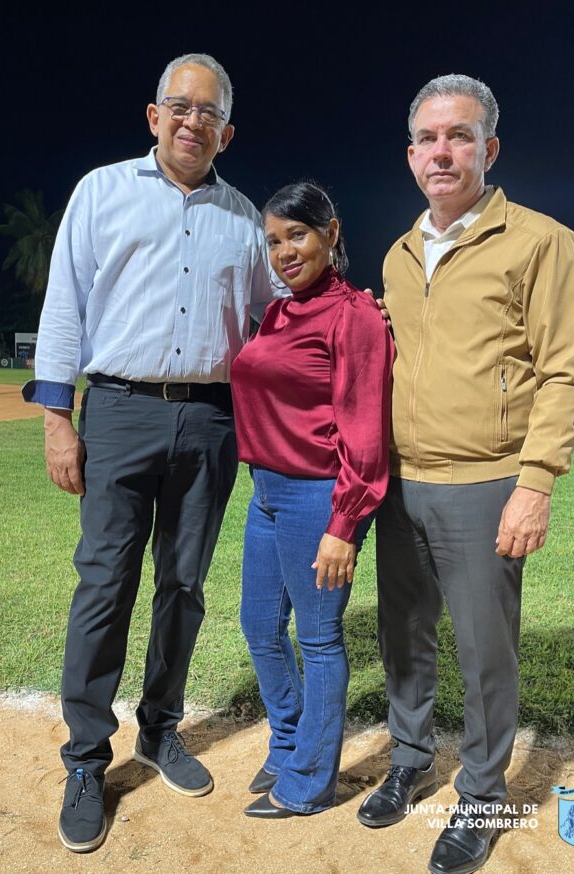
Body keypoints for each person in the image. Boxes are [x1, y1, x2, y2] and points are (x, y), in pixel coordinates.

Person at [22, 53, 275, 853]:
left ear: (227, 132)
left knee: (184, 584)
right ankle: (85, 759)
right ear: (154, 115)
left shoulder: (245, 219)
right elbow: (65, 304)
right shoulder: (101, 192)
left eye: (210, 112)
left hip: (210, 420)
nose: (193, 121)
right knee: (104, 582)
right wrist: (57, 420)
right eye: (181, 106)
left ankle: (160, 730)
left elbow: (274, 320)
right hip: (119, 411)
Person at [355, 75, 574, 874]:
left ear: (489, 149)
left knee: (486, 656)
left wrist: (536, 482)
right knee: (404, 638)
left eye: (459, 136)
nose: (442, 152)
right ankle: (411, 759)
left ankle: (483, 796)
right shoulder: (398, 254)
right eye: (428, 138)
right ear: (410, 155)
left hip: (488, 482)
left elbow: (564, 371)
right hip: (402, 483)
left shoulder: (540, 240)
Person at [230, 182, 395, 818]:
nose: (284, 252)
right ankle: (289, 742)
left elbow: (365, 430)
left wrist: (344, 524)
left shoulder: (354, 315)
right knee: (258, 624)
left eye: (296, 235)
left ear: (331, 232)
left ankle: (310, 779)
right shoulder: (277, 313)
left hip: (320, 496)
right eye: (273, 241)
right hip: (266, 492)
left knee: (319, 639)